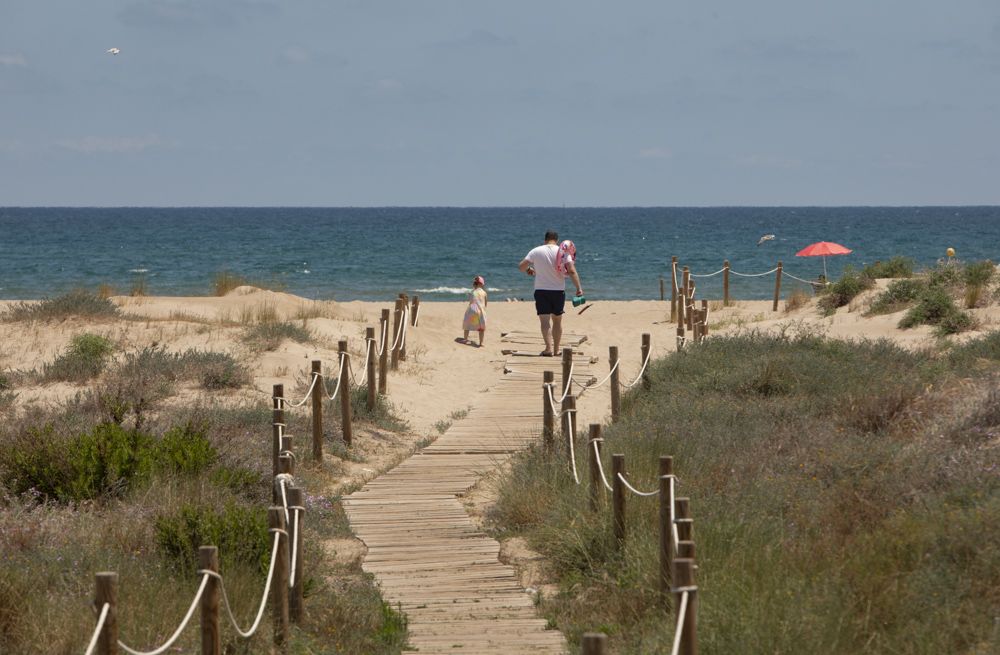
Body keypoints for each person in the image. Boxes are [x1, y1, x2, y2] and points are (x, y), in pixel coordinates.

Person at [518, 230, 583, 356]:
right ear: (557, 240)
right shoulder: (563, 252)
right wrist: (578, 288)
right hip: (558, 291)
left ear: (545, 239)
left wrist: (528, 269)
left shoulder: (536, 251)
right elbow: (571, 270)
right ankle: (556, 349)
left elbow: (521, 266)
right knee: (557, 321)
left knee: (544, 321)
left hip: (541, 290)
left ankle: (548, 349)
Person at [462, 275, 488, 347]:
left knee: (467, 324)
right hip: (481, 311)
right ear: (482, 284)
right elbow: (485, 304)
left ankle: (465, 339)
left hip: (472, 309)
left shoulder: (472, 291)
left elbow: (471, 301)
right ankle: (481, 343)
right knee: (481, 328)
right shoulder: (484, 293)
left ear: (475, 284)